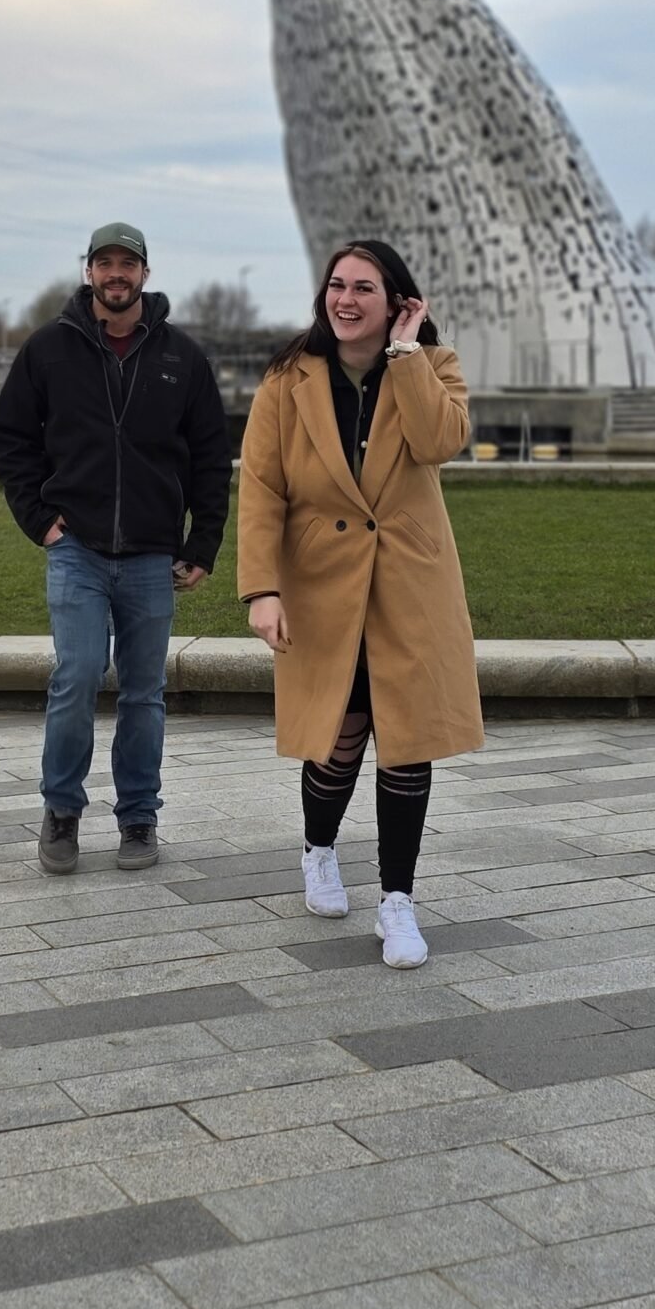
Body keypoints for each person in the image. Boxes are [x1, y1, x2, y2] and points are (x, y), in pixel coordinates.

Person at [237, 239, 481, 966]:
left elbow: (440, 443)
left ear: (396, 301)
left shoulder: (433, 368)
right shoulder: (288, 379)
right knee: (338, 743)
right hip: (321, 589)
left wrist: (405, 358)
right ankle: (317, 849)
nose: (344, 299)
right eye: (336, 285)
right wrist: (262, 588)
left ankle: (397, 903)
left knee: (406, 745)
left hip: (410, 587)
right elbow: (260, 487)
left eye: (363, 288)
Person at [0, 222, 232, 875]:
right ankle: (61, 813)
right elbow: (11, 438)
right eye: (105, 263)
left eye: (128, 263)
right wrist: (39, 520)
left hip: (153, 554)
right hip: (77, 549)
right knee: (75, 678)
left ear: (145, 274)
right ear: (88, 271)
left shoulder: (181, 357)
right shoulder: (48, 350)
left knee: (143, 693)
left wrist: (202, 541)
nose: (116, 274)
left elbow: (212, 456)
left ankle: (138, 819)